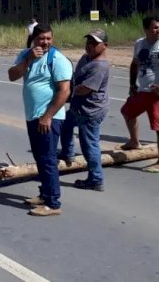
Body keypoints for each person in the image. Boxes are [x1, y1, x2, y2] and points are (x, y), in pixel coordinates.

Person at [8, 23, 73, 216]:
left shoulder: (58, 60)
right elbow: (12, 75)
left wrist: (48, 116)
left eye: (48, 39)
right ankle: (45, 194)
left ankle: (53, 203)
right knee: (40, 157)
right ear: (33, 39)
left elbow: (64, 91)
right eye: (41, 39)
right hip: (33, 115)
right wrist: (28, 59)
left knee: (48, 159)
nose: (45, 42)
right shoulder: (26, 55)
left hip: (49, 118)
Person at [59, 29, 110, 190]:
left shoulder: (100, 66)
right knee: (65, 124)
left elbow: (85, 89)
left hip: (90, 111)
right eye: (88, 42)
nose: (90, 46)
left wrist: (67, 92)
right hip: (78, 108)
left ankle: (96, 179)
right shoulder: (86, 58)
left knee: (89, 145)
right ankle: (68, 153)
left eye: (95, 43)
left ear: (104, 46)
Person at [118, 15, 159, 173]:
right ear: (146, 29)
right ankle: (134, 142)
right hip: (142, 90)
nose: (158, 30)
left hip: (156, 94)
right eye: (155, 27)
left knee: (158, 128)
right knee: (127, 112)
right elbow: (134, 64)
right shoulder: (139, 44)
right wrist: (131, 84)